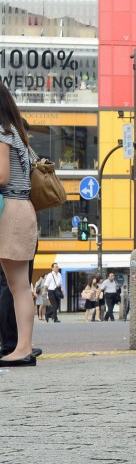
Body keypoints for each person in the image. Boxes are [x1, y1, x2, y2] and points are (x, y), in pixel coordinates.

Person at [0, 83, 38, 366]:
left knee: (18, 286)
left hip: (10, 210)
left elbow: (2, 176)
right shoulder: (17, 131)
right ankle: (25, 345)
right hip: (23, 207)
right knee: (20, 286)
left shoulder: (1, 132)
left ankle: (23, 348)